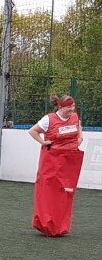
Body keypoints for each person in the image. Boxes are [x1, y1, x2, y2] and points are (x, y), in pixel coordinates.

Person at [28, 94, 84, 237]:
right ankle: (46, 225)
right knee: (48, 192)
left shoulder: (75, 117)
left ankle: (60, 226)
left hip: (69, 161)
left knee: (65, 193)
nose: (72, 109)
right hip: (51, 161)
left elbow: (79, 132)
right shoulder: (49, 119)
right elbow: (33, 131)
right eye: (69, 107)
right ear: (60, 107)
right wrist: (43, 142)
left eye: (73, 106)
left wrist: (79, 139)